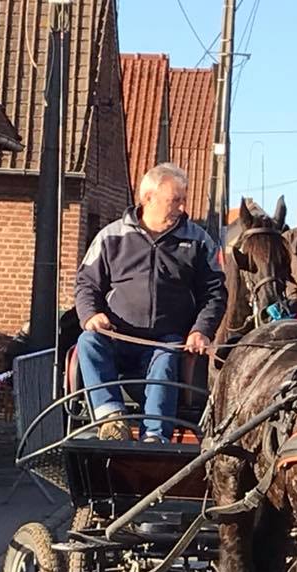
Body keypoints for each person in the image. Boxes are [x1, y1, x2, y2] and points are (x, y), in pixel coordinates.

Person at [74, 163, 226, 443]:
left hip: (165, 340)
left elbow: (215, 292)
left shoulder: (199, 242)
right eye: (175, 200)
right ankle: (111, 419)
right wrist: (91, 315)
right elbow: (86, 285)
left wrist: (200, 330)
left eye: (183, 200)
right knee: (87, 342)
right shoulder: (111, 237)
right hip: (115, 335)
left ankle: (155, 435)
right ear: (148, 199)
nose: (182, 208)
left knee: (166, 356)